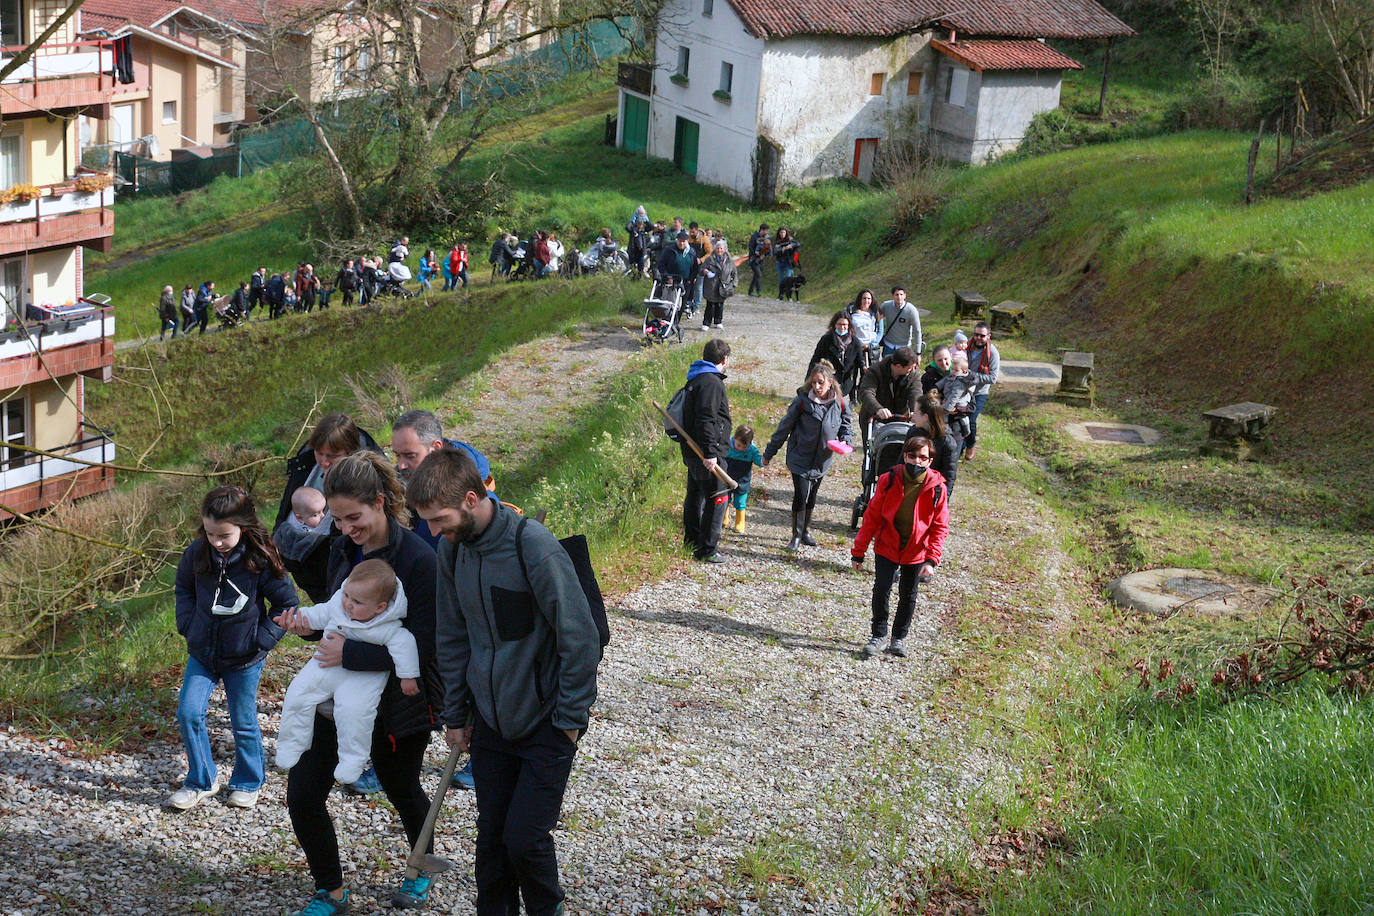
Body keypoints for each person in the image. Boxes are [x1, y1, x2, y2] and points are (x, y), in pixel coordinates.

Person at [409, 447, 600, 916]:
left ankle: (545, 908)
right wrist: (456, 715)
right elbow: (452, 638)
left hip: (546, 720)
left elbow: (580, 637)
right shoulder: (452, 552)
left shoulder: (532, 545)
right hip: (489, 722)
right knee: (492, 838)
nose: (433, 532)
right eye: (427, 522)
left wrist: (569, 720)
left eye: (439, 519)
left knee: (524, 838)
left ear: (472, 499)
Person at [275, 452, 443, 915]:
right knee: (304, 794)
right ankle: (330, 891)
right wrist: (305, 625)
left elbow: (427, 643)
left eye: (355, 517)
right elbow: (338, 613)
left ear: (382, 503)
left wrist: (350, 653)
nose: (347, 527)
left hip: (397, 701)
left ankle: (420, 869)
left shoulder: (419, 559)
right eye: (339, 518)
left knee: (402, 789)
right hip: (333, 695)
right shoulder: (343, 547)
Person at [169, 485, 295, 811]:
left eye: (224, 535)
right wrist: (187, 624)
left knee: (243, 721)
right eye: (210, 533)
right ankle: (202, 779)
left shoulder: (260, 559)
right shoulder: (196, 553)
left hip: (245, 657)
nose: (216, 541)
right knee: (188, 712)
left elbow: (286, 604)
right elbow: (183, 589)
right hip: (203, 652)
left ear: (244, 527)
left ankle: (248, 780)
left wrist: (262, 641)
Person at [276, 559, 420, 786]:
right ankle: (291, 744)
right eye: (347, 596)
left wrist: (408, 676)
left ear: (380, 607)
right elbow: (318, 614)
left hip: (362, 678)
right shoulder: (338, 606)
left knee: (355, 714)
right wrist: (296, 620)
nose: (348, 605)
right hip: (324, 665)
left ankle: (352, 760)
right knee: (298, 694)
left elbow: (405, 646)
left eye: (357, 602)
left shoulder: (388, 626)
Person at [851, 433, 948, 658]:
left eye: (922, 457)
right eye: (912, 456)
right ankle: (878, 636)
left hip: (916, 551)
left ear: (929, 461)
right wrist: (859, 551)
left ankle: (899, 639)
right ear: (905, 456)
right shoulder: (889, 480)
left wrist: (932, 559)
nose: (916, 461)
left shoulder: (937, 489)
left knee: (908, 595)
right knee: (881, 590)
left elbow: (940, 527)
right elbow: (872, 517)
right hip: (887, 545)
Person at [274, 413, 383, 603]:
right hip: (309, 576)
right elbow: (285, 509)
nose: (323, 462)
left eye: (332, 456)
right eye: (319, 453)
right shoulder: (306, 463)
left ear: (351, 453)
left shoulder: (367, 479)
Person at [763, 361, 853, 551]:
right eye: (814, 383)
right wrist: (770, 453)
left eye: (821, 383)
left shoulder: (840, 402)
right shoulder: (803, 401)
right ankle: (795, 535)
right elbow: (783, 428)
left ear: (830, 382)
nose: (817, 387)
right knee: (801, 494)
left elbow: (846, 425)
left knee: (812, 495)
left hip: (823, 459)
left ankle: (805, 531)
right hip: (800, 457)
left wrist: (845, 440)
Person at [680, 338, 732, 563]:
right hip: (706, 452)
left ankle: (691, 542)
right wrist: (711, 453)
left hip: (694, 449)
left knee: (695, 495)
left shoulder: (695, 378)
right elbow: (706, 419)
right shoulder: (711, 382)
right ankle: (707, 549)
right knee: (718, 497)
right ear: (725, 359)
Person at [856, 346, 921, 444]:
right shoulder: (875, 371)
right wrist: (878, 409)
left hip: (899, 419)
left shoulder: (913, 375)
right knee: (872, 451)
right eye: (909, 368)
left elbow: (915, 392)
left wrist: (915, 410)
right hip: (874, 418)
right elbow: (866, 392)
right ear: (898, 366)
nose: (912, 370)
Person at [963, 322, 1000, 460]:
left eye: (982, 335)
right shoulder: (966, 346)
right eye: (976, 334)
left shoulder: (993, 353)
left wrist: (972, 375)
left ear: (988, 336)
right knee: (961, 418)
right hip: (963, 389)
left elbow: (993, 378)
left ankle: (970, 445)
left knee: (971, 420)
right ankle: (959, 446)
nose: (978, 338)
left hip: (979, 392)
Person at [911, 390, 959, 495]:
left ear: (925, 417)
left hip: (931, 491)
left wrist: (941, 503)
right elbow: (901, 463)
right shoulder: (913, 432)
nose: (912, 416)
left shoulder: (948, 443)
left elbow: (948, 477)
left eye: (915, 412)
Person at [809, 310, 863, 401]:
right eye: (839, 324)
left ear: (849, 325)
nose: (842, 327)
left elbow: (860, 362)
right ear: (834, 324)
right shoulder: (826, 339)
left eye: (845, 324)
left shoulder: (855, 342)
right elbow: (816, 358)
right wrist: (809, 379)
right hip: (829, 378)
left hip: (846, 380)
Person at [723, 425, 762, 533]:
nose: (740, 449)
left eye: (744, 447)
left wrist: (763, 461)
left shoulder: (752, 450)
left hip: (742, 479)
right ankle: (724, 517)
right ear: (734, 438)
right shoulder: (727, 445)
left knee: (740, 501)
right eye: (738, 445)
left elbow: (759, 460)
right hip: (726, 476)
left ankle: (740, 521)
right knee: (725, 498)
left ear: (749, 444)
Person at [936, 353, 977, 440]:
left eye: (956, 370)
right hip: (949, 398)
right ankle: (945, 427)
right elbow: (945, 380)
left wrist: (947, 408)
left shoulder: (960, 382)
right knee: (945, 416)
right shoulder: (953, 376)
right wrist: (937, 386)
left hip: (959, 402)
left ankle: (966, 429)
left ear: (963, 371)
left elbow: (955, 396)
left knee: (962, 418)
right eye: (952, 369)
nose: (953, 372)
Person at [700, 239, 738, 332]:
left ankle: (718, 321)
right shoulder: (709, 259)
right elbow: (701, 270)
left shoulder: (729, 261)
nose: (719, 250)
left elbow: (734, 274)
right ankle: (706, 323)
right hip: (711, 286)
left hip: (724, 287)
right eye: (717, 248)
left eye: (721, 248)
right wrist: (705, 271)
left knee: (720, 305)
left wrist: (733, 284)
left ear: (725, 249)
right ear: (715, 249)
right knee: (710, 305)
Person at [656, 231, 699, 308]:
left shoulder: (691, 252)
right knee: (670, 305)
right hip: (672, 282)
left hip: (686, 282)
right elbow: (661, 264)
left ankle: (677, 319)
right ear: (677, 240)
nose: (681, 243)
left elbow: (695, 267)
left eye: (683, 241)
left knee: (681, 306)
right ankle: (668, 319)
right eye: (680, 241)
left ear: (687, 241)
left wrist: (691, 279)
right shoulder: (669, 250)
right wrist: (668, 277)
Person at [879, 286, 922, 357]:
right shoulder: (886, 306)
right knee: (887, 367)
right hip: (889, 345)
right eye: (897, 295)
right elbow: (876, 318)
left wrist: (918, 352)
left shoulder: (911, 310)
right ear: (892, 296)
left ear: (905, 296)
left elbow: (917, 331)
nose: (899, 297)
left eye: (901, 294)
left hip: (904, 346)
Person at [848, 289, 882, 369]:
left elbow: (880, 331)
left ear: (872, 300)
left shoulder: (877, 312)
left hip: (871, 349)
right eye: (864, 298)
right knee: (853, 372)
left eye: (869, 298)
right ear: (860, 299)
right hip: (855, 346)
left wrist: (871, 345)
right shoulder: (851, 311)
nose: (866, 301)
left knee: (870, 374)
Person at [772, 227, 799, 296]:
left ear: (786, 233)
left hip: (788, 262)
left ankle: (788, 294)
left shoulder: (790, 239)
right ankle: (781, 294)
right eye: (781, 232)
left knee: (788, 278)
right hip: (780, 262)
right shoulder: (777, 241)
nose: (782, 234)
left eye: (784, 232)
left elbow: (798, 244)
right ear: (779, 233)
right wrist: (782, 250)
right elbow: (774, 252)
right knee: (781, 279)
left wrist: (791, 245)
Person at [746, 223, 770, 296]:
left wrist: (764, 254)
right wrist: (756, 254)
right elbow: (750, 247)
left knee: (756, 276)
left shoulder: (767, 237)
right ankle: (759, 291)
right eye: (766, 231)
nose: (767, 232)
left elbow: (768, 248)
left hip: (761, 260)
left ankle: (750, 291)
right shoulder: (754, 236)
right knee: (758, 274)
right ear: (762, 230)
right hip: (754, 259)